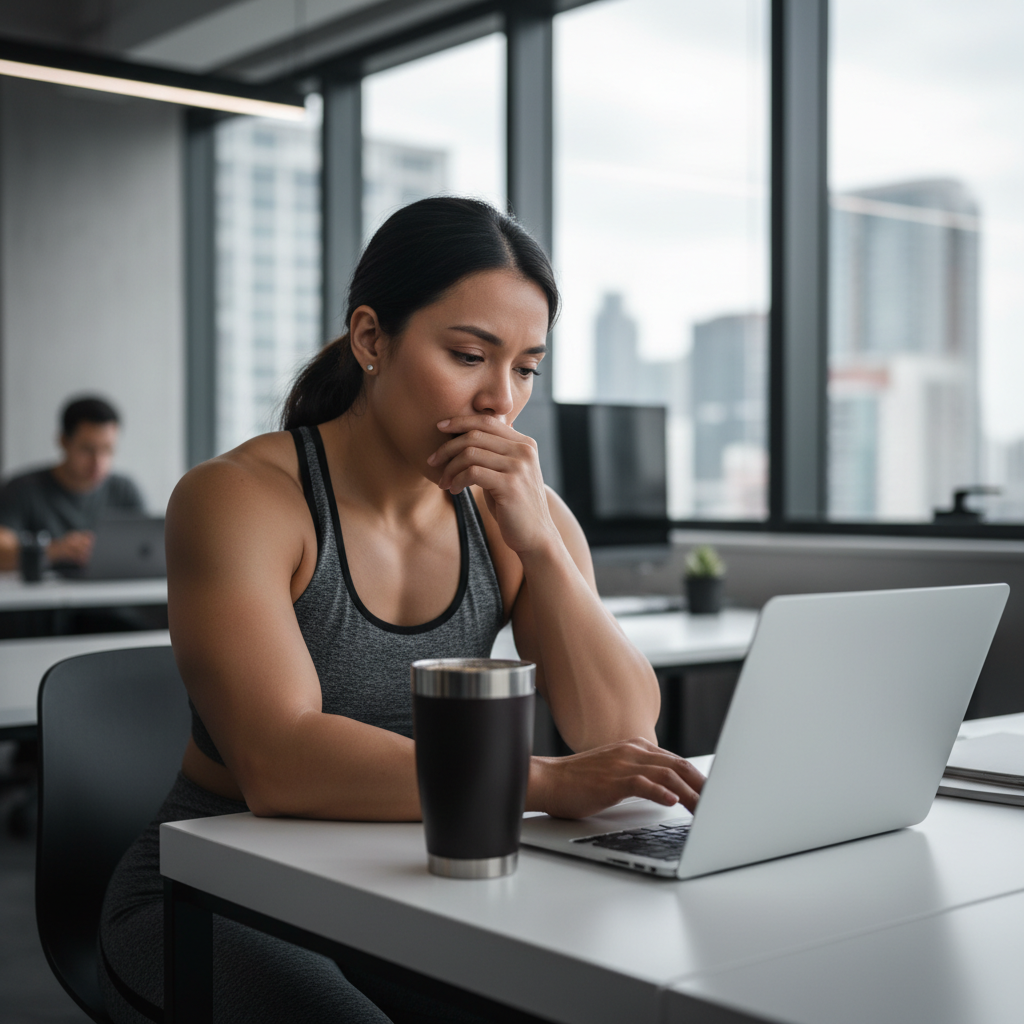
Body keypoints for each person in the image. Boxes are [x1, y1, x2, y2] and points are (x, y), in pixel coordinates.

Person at [98, 198, 705, 1024]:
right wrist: (541, 784)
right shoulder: (241, 497)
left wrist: (545, 549)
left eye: (526, 367)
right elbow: (277, 762)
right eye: (468, 355)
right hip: (220, 888)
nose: (499, 399)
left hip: (413, 882)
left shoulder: (518, 510)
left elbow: (619, 732)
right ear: (372, 339)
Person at [0, 396, 144, 572]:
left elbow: (147, 549)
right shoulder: (22, 489)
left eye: (107, 449)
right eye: (87, 449)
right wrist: (55, 550)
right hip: (42, 599)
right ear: (63, 442)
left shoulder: (124, 490)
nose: (98, 462)